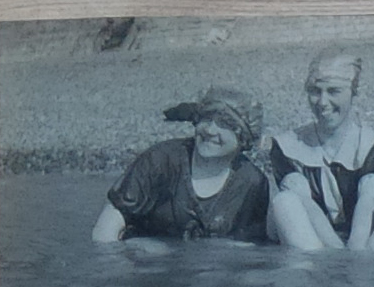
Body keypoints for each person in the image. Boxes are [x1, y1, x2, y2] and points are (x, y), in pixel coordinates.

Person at [269, 49, 374, 251]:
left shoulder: (373, 145)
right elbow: (305, 204)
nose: (322, 102)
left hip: (363, 241)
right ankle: (306, 267)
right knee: (285, 200)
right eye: (315, 91)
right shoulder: (287, 147)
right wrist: (337, 254)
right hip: (308, 239)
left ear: (353, 92)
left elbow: (368, 204)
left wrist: (354, 254)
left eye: (333, 91)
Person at [92, 87, 269, 243]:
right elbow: (106, 230)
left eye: (225, 124)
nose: (210, 130)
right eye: (206, 118)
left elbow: (248, 248)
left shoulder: (252, 182)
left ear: (244, 138)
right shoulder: (159, 161)